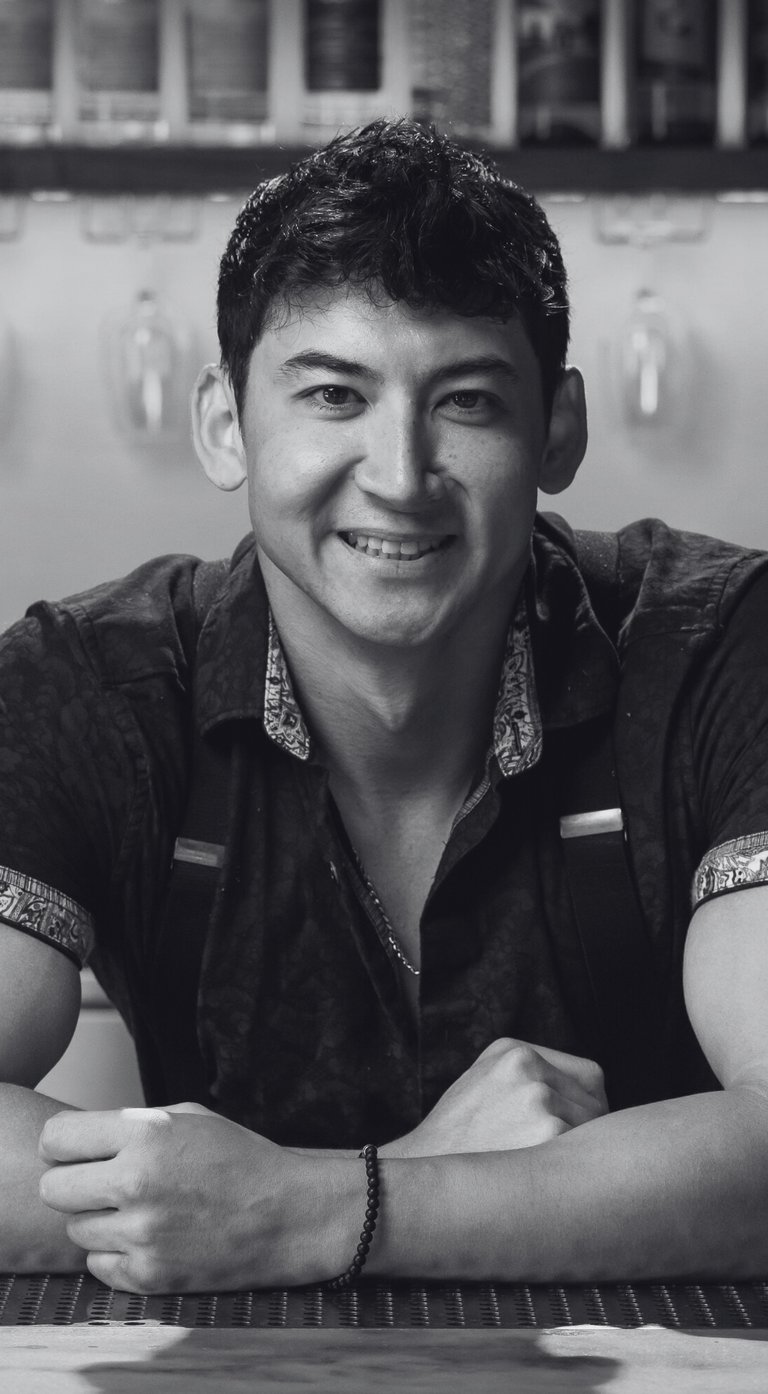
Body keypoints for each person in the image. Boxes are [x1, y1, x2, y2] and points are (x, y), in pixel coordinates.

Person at [1, 118, 768, 1295]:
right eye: (333, 394)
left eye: (466, 401)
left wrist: (300, 1209)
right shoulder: (89, 683)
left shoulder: (720, 644)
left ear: (558, 429)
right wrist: (387, 1180)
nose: (401, 477)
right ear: (224, 423)